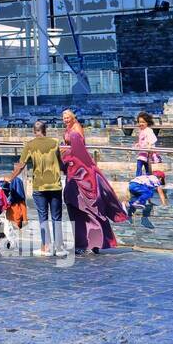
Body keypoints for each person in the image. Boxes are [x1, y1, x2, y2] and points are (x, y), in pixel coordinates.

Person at [60, 109, 128, 255]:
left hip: (81, 170)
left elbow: (79, 151)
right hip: (73, 169)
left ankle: (95, 241)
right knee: (76, 206)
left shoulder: (76, 130)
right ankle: (83, 242)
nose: (65, 119)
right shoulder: (69, 128)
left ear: (73, 117)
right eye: (63, 117)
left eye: (67, 117)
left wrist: (66, 156)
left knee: (89, 206)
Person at [3, 120, 65, 257]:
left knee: (43, 217)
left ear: (34, 131)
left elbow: (21, 165)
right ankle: (59, 247)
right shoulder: (55, 142)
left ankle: (46, 247)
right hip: (55, 185)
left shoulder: (30, 145)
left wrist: (10, 178)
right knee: (57, 217)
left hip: (39, 186)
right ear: (45, 130)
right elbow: (61, 163)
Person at [133, 111, 162, 176]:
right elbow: (142, 140)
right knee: (140, 165)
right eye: (140, 122)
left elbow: (153, 139)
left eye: (143, 122)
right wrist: (138, 144)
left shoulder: (149, 130)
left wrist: (150, 145)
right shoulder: (141, 131)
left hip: (147, 152)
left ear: (147, 123)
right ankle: (140, 178)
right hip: (142, 151)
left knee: (144, 165)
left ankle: (142, 177)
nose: (141, 123)